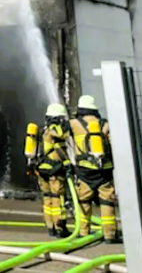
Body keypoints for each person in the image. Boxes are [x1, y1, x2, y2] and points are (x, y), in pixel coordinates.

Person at [70, 95, 119, 243]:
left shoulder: (73, 123)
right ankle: (110, 235)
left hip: (84, 170)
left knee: (84, 201)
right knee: (107, 202)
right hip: (104, 170)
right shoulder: (104, 124)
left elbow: (59, 137)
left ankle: (84, 232)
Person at [27, 103, 71, 238]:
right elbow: (59, 148)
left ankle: (50, 226)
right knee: (58, 199)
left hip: (42, 169)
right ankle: (60, 228)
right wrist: (68, 163)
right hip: (54, 170)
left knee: (47, 199)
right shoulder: (54, 129)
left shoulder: (42, 129)